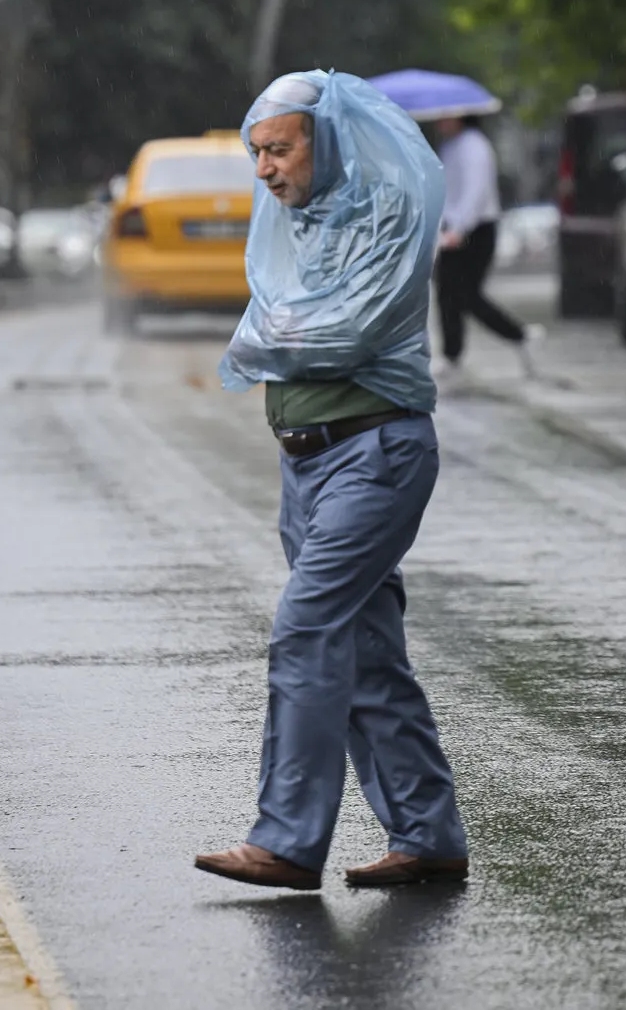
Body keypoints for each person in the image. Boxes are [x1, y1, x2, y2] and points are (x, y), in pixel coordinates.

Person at [194, 71, 470, 891]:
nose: (264, 170)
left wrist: (268, 333)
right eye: (256, 152)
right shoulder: (300, 221)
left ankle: (285, 839)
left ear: (329, 140)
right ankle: (427, 835)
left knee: (306, 629)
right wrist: (272, 329)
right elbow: (278, 320)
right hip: (306, 460)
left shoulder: (386, 211)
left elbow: (338, 331)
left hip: (375, 451)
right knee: (367, 653)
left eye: (278, 149)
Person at [431, 115, 534, 376]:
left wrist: (460, 228)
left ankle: (518, 334)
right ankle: (452, 353)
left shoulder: (475, 146)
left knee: (466, 294)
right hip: (453, 227)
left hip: (476, 229)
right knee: (447, 293)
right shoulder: (450, 146)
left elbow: (475, 192)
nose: (441, 121)